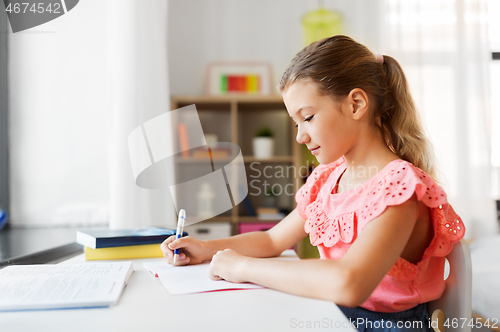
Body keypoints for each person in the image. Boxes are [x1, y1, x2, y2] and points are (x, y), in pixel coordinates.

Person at [161, 35, 465, 331]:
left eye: (308, 117)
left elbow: (349, 284)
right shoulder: (328, 179)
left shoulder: (400, 188)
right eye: (296, 123)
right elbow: (271, 240)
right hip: (332, 316)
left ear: (356, 104)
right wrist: (204, 249)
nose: (299, 136)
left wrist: (240, 267)